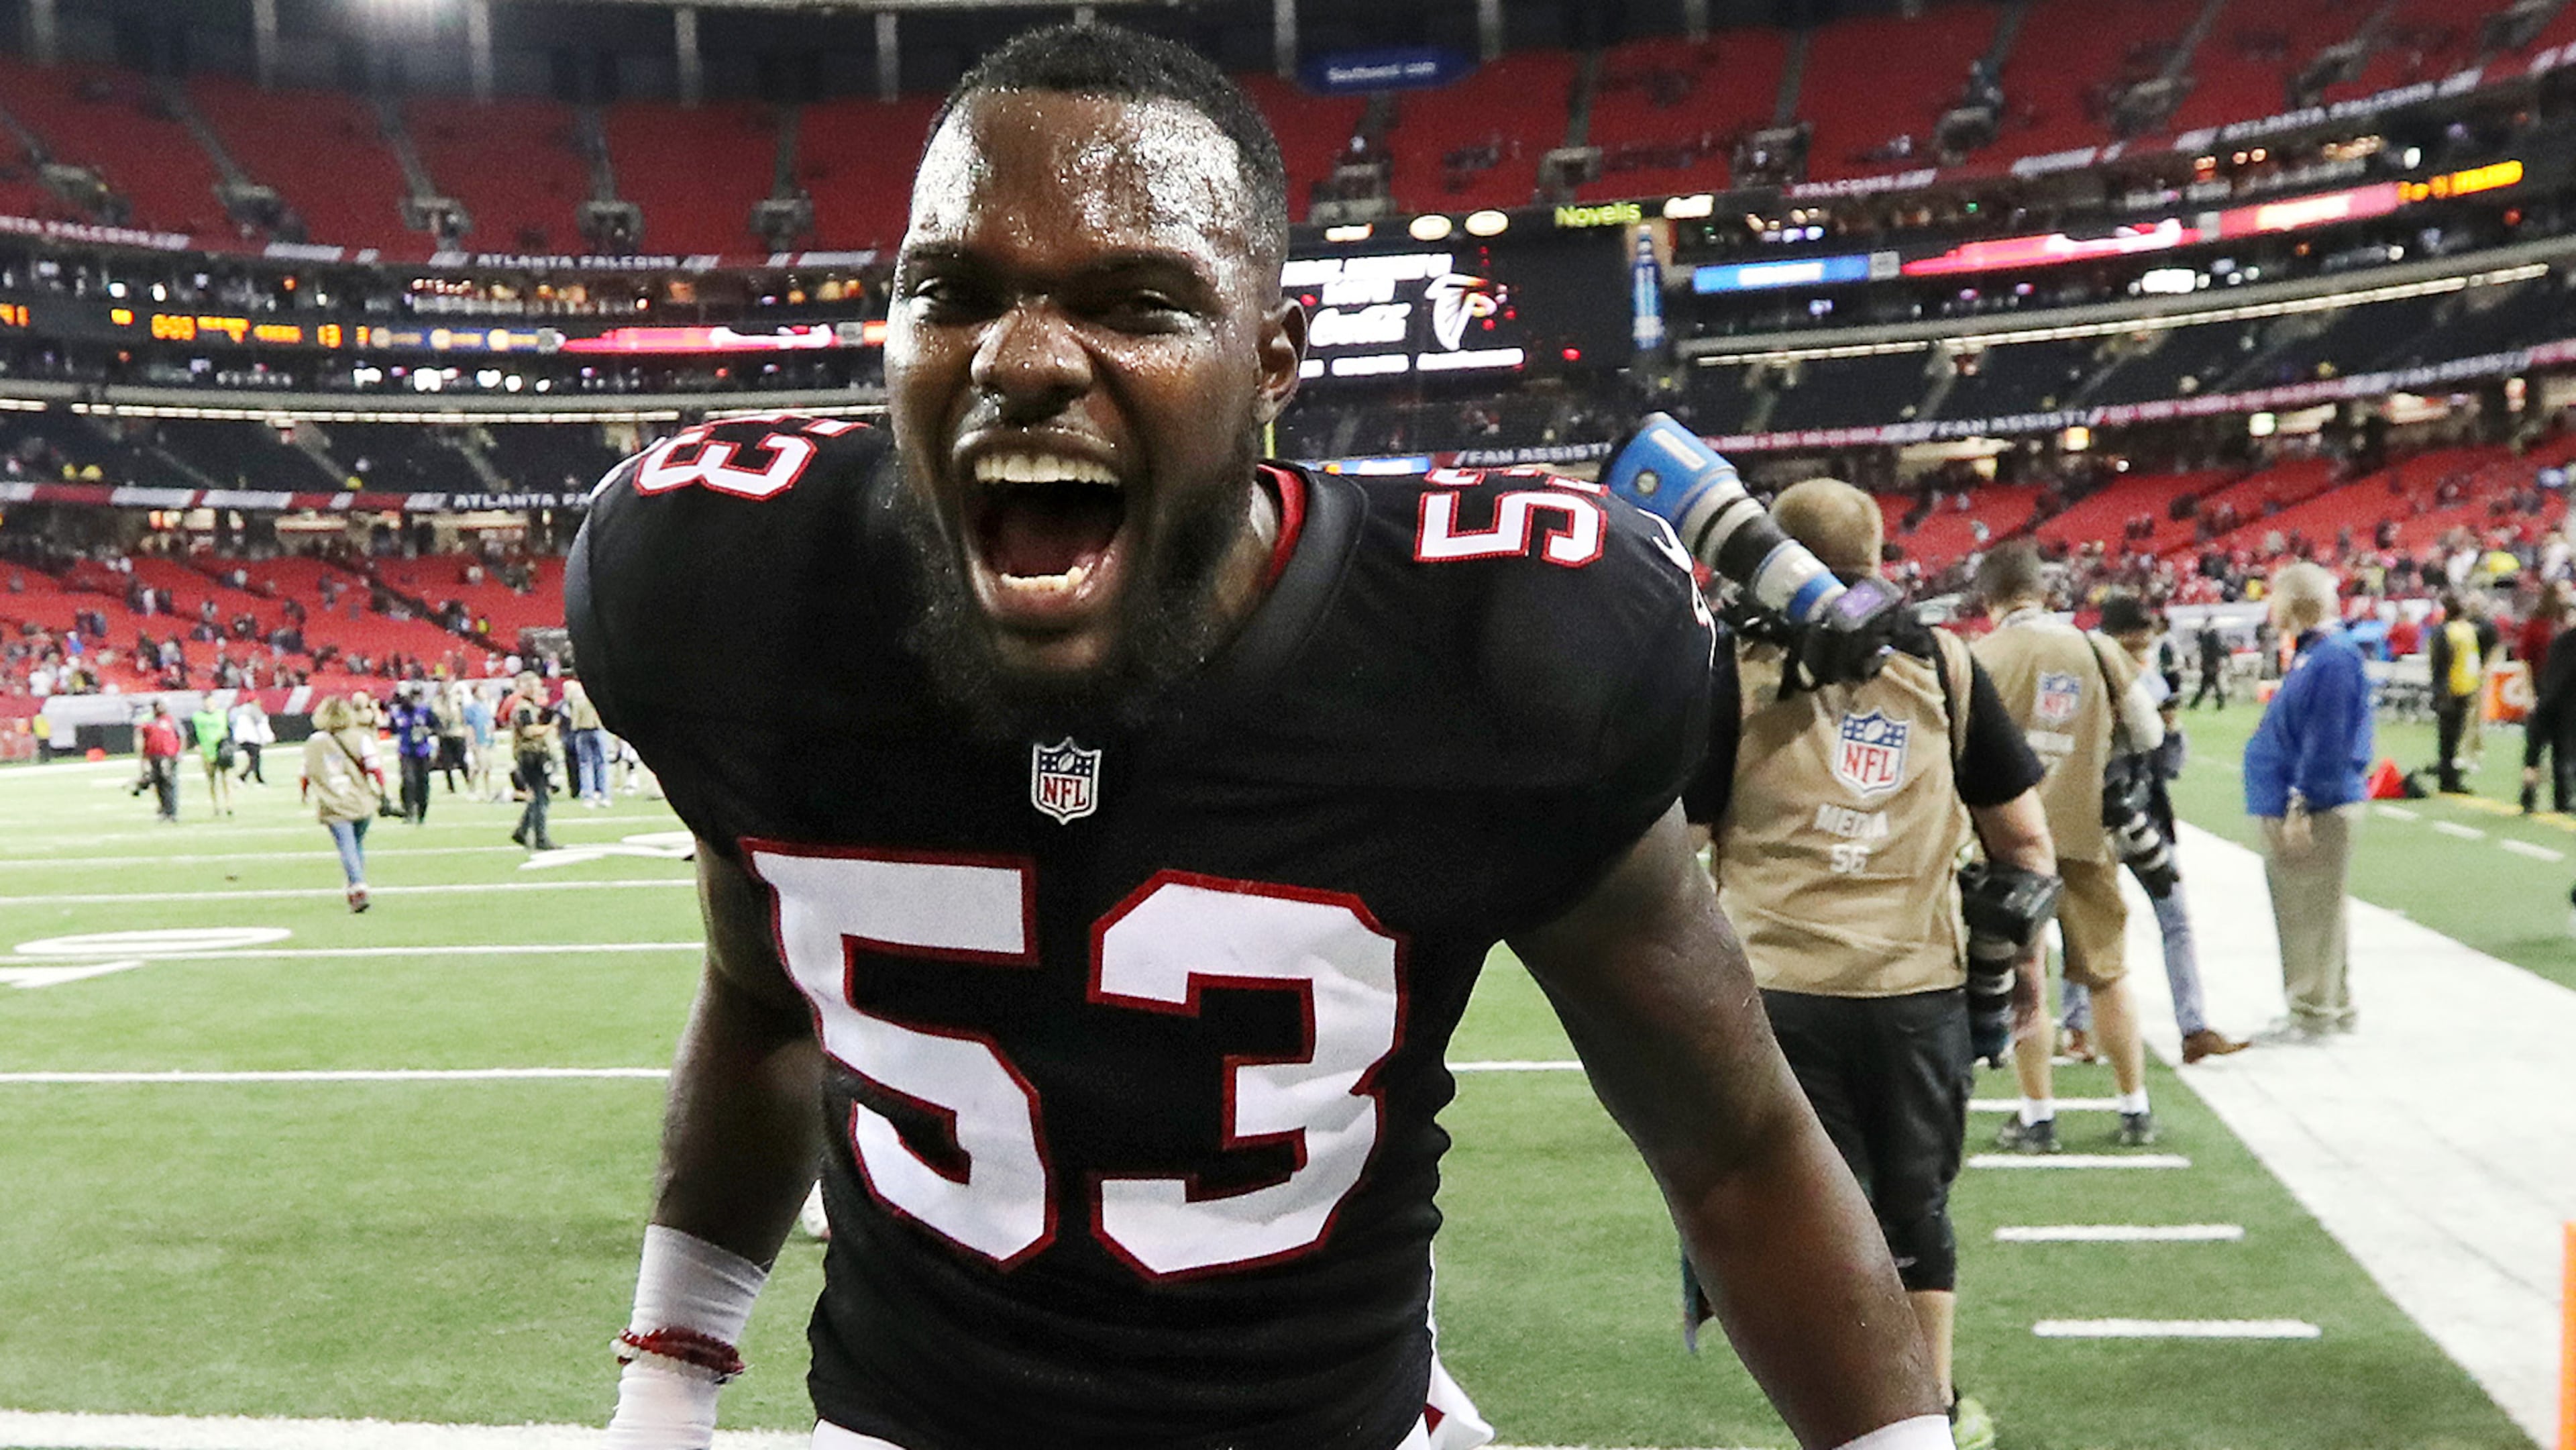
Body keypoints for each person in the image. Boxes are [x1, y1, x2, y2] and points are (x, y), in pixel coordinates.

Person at [572, 25, 1949, 1450]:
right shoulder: (731, 590)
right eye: (954, 290)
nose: (1026, 358)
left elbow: (1736, 1148)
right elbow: (764, 995)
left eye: (1139, 303)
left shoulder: (1503, 653)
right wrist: (670, 1376)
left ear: (1273, 359)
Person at [1684, 480, 2055, 1450]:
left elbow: (1683, 831)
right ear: (1883, 552)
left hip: (1774, 987)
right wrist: (2013, 968)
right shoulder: (1946, 663)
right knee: (1916, 1206)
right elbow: (2025, 846)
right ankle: (1927, 1410)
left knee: (1802, 1220)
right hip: (1914, 984)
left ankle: (1835, 1420)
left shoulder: (1734, 663)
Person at [1970, 542, 2167, 1151]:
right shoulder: (2095, 647)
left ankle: (2038, 1115)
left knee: (2026, 977)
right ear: (2044, 590)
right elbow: (2149, 731)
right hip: (2087, 835)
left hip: (2006, 845)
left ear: (1988, 598)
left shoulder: (1976, 656)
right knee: (2108, 975)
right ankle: (2134, 1107)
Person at [2062, 594, 2247, 1064]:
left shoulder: (2153, 680)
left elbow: (2169, 764)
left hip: (2146, 814)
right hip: (2099, 817)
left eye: (2147, 642)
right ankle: (2077, 1026)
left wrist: (2173, 726)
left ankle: (2193, 1027)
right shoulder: (2087, 678)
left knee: (2176, 918)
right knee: (2086, 926)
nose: (2142, 652)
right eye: (2134, 642)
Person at [2244, 563, 2373, 1041]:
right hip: (2310, 800)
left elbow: (2326, 740)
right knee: (2319, 909)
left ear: (2298, 601)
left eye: (2275, 597)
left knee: (2306, 910)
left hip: (2315, 805)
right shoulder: (2318, 654)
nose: (2269, 607)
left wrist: (2300, 801)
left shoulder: (2332, 657)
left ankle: (2312, 1008)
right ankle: (2330, 1003)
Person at [301, 694, 387, 913]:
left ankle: (357, 886)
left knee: (347, 846)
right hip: (359, 800)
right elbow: (374, 767)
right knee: (356, 845)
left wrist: (304, 793)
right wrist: (383, 791)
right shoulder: (360, 737)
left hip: (333, 801)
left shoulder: (314, 742)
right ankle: (355, 886)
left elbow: (305, 772)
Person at [2426, 592, 2483, 792]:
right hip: (2454, 690)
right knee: (2449, 738)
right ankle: (2448, 779)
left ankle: (2449, 776)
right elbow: (2440, 664)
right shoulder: (2450, 631)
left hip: (2463, 688)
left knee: (2454, 736)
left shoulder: (2459, 630)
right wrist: (2441, 691)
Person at [504, 672, 557, 851]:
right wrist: (548, 727)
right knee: (540, 796)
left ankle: (522, 830)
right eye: (533, 686)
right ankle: (541, 838)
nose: (537, 689)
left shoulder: (532, 706)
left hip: (535, 754)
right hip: (529, 755)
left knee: (539, 795)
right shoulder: (523, 708)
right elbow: (528, 731)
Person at [388, 682, 440, 825]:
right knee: (408, 780)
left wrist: (428, 731)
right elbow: (392, 729)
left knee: (423, 782)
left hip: (422, 751)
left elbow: (437, 726)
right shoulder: (397, 713)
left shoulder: (425, 710)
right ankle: (409, 810)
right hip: (406, 751)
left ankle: (422, 812)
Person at [564, 678, 610, 807]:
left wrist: (575, 727)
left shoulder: (578, 697)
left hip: (582, 731)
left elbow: (575, 717)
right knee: (602, 763)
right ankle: (604, 795)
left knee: (585, 764)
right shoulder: (598, 695)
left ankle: (589, 796)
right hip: (598, 730)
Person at [138, 702, 184, 823]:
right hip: (154, 756)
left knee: (169, 783)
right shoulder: (150, 723)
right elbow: (143, 739)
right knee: (159, 784)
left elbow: (182, 736)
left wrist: (180, 753)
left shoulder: (172, 720)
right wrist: (144, 759)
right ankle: (164, 810)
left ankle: (172, 812)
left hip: (169, 756)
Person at [190, 696, 234, 818]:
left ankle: (229, 804)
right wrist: (197, 745)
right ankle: (216, 806)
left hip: (222, 750)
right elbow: (194, 734)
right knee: (212, 780)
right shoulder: (198, 717)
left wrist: (230, 745)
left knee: (226, 778)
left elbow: (230, 731)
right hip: (207, 751)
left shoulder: (222, 714)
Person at [229, 693, 273, 785]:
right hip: (252, 738)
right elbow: (262, 724)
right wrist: (268, 737)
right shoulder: (255, 710)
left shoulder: (238, 710)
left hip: (240, 738)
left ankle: (259, 780)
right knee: (255, 760)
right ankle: (242, 777)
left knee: (255, 759)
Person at [2187, 617, 2227, 709]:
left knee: (2207, 686)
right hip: (2211, 664)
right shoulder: (2213, 635)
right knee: (2212, 686)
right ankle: (2220, 704)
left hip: (2209, 664)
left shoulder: (2211, 635)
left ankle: (2195, 704)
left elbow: (2211, 651)